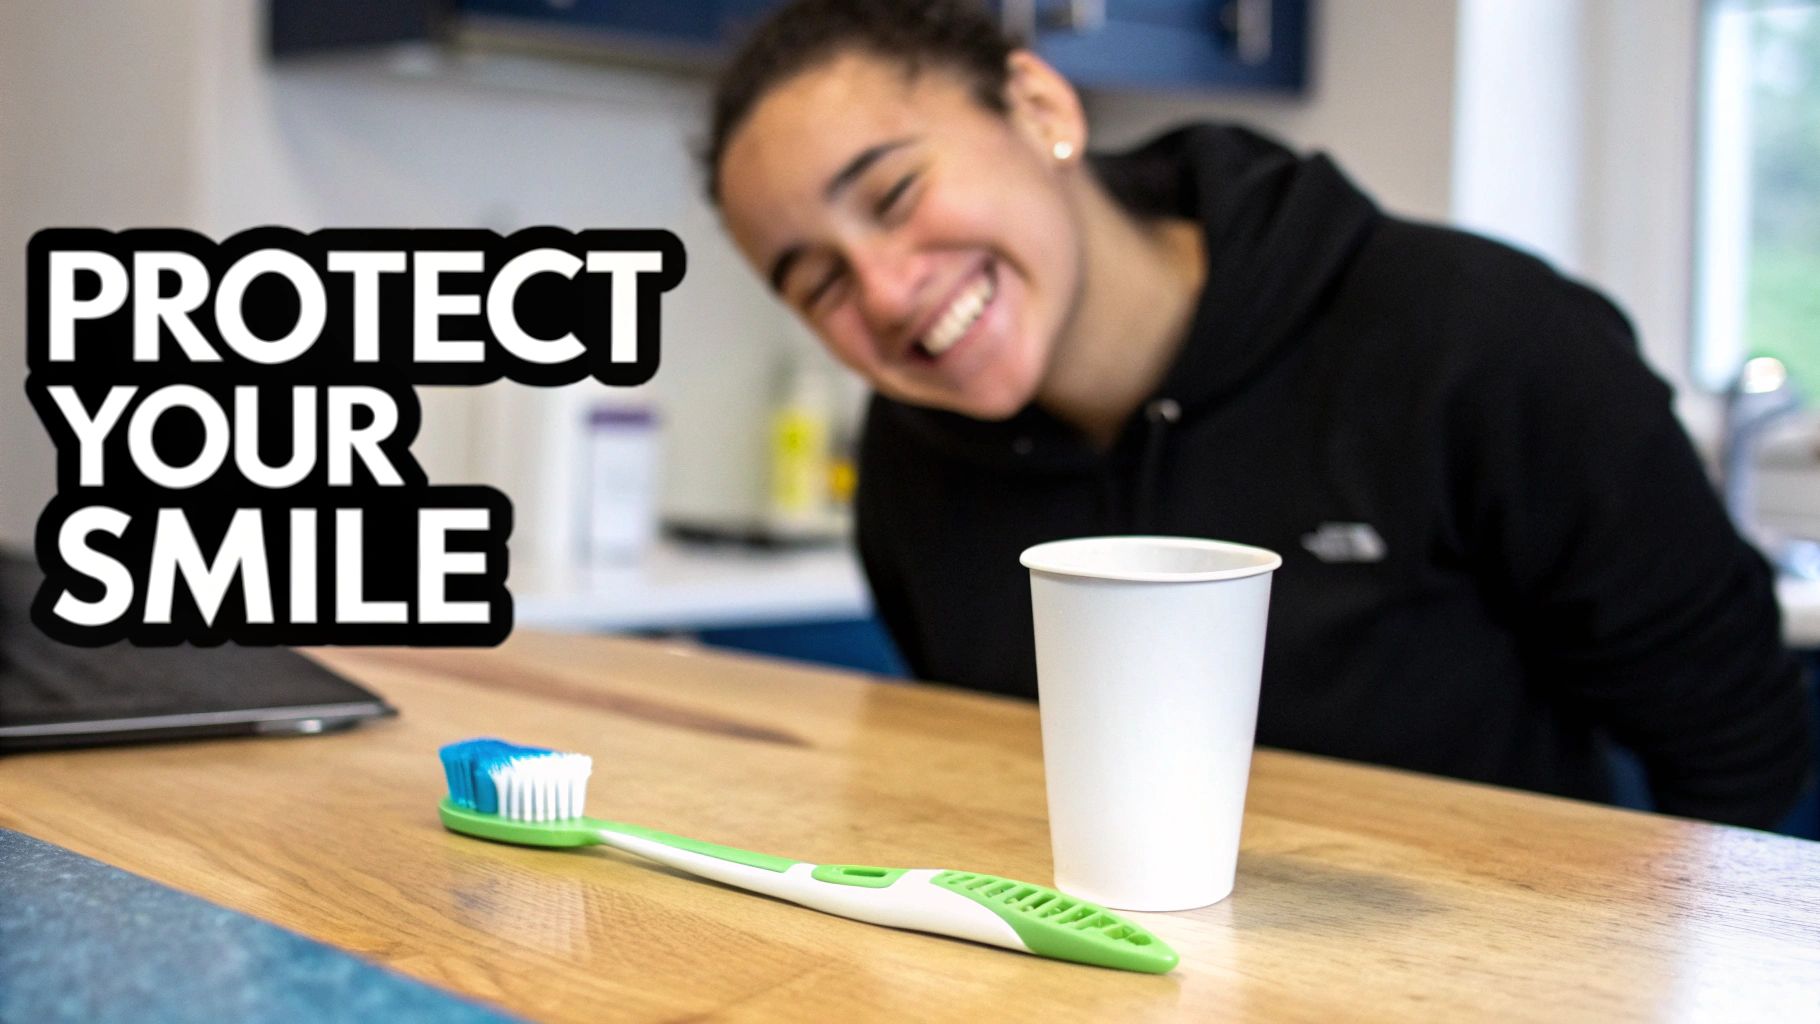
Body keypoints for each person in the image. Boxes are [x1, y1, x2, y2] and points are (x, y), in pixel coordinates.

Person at [703, 0, 1815, 828]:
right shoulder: (914, 465)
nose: (887, 292)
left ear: (1040, 108)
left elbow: (1740, 754)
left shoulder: (1480, 340)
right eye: (817, 282)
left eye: (895, 194)